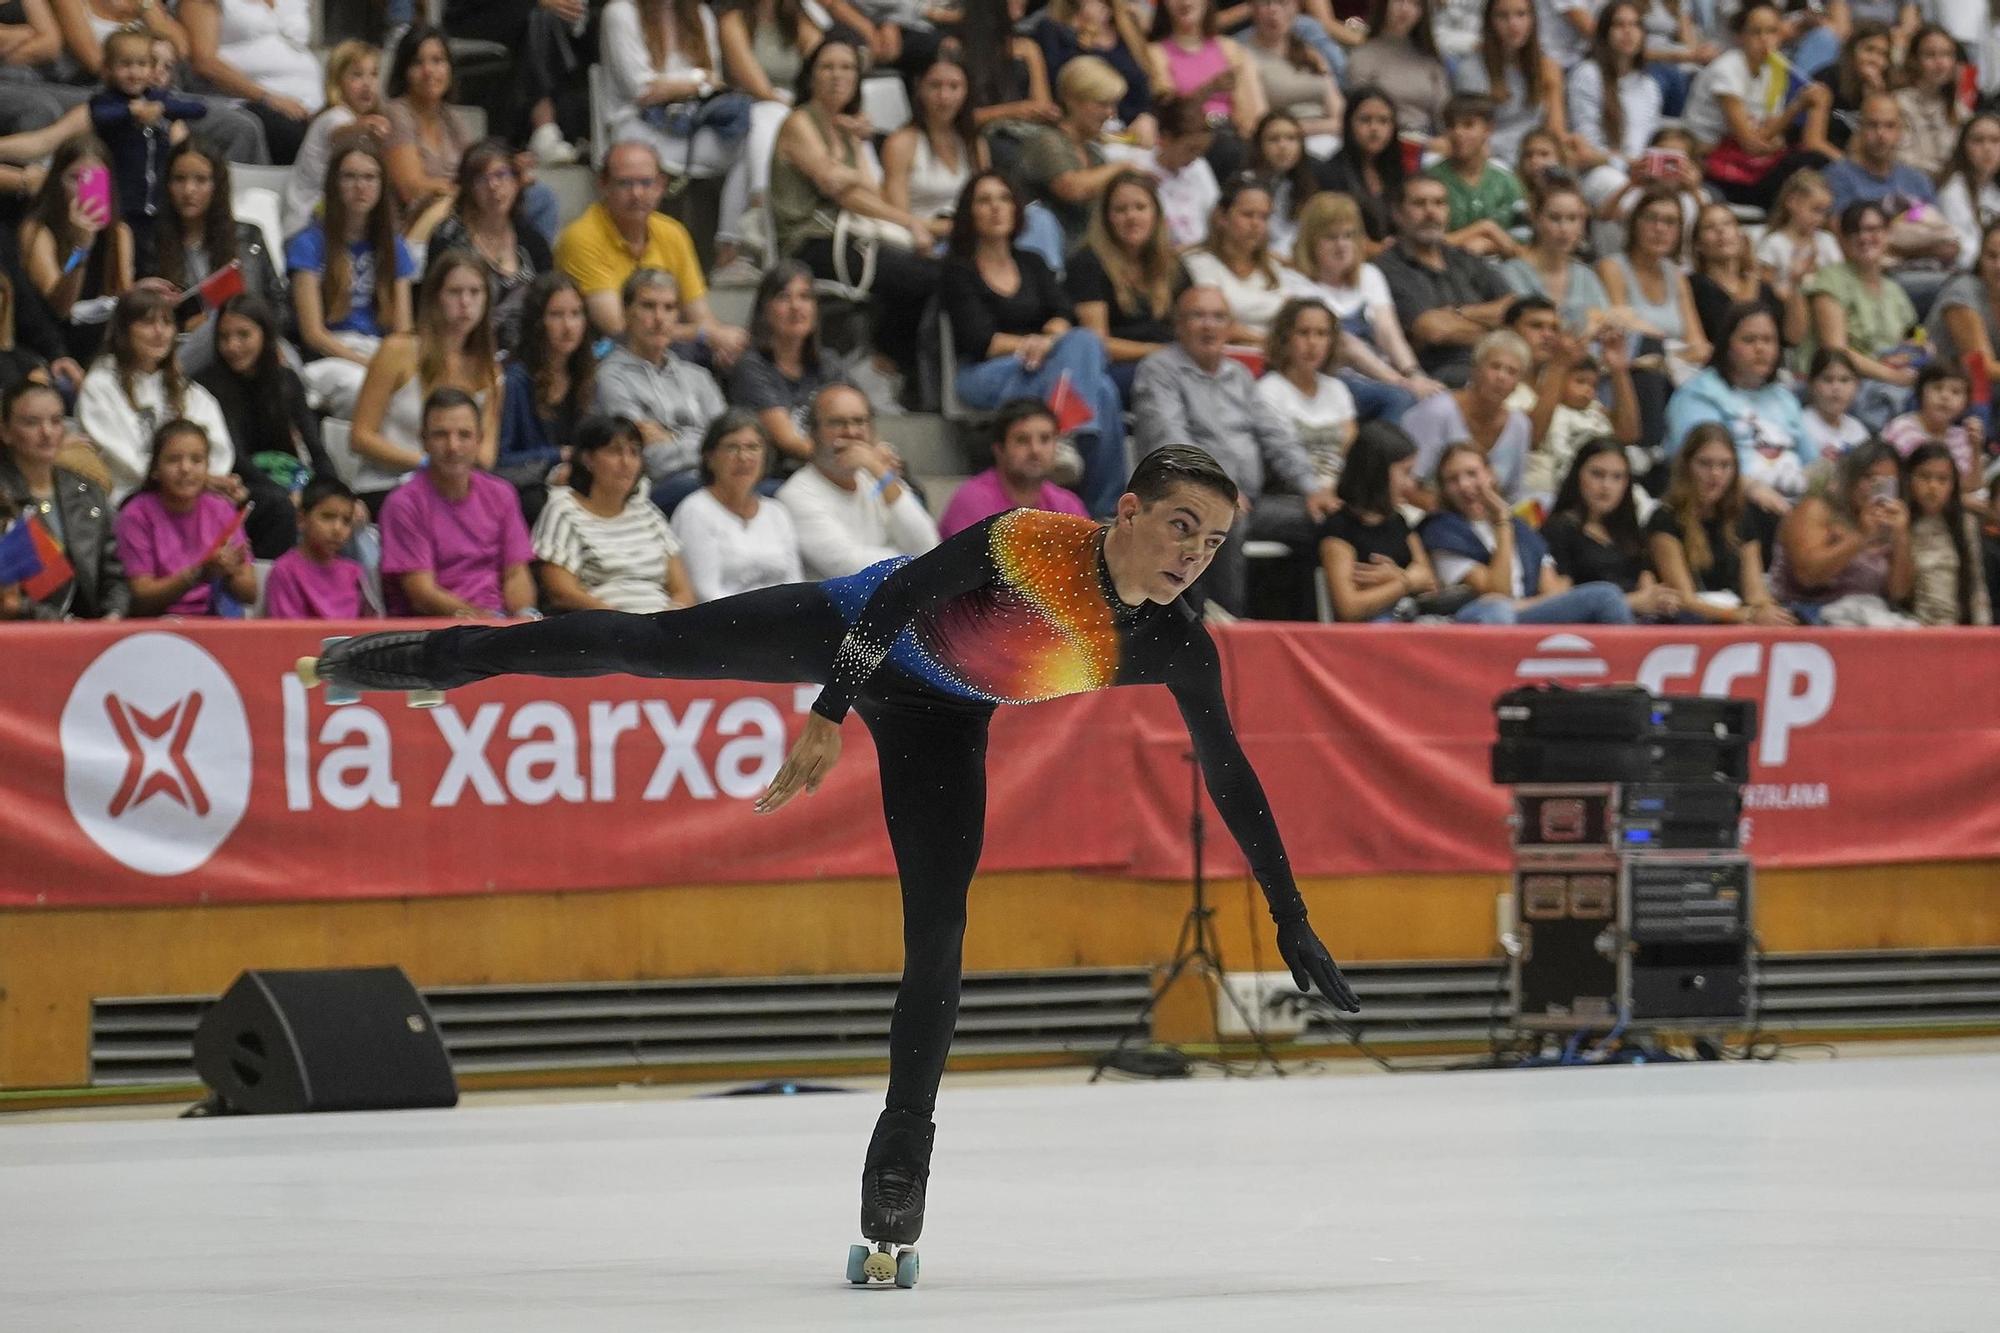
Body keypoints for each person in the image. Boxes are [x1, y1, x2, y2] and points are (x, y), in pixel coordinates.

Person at [298, 444, 1362, 1271]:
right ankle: (428, 658)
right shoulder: (1032, 539)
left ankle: (901, 1157)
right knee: (639, 644)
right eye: (1180, 526)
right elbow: (902, 598)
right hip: (845, 629)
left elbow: (1230, 775)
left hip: (945, 721)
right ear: (1125, 511)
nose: (1192, 554)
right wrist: (827, 710)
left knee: (939, 937)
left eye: (1213, 541)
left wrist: (1289, 914)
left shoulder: (1174, 643)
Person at [1132, 285, 1336, 616]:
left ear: (1230, 327)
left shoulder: (1238, 375)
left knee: (1330, 519)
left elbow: (1276, 436)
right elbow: (1170, 442)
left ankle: (1315, 632)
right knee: (1223, 522)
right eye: (1198, 316)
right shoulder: (1159, 370)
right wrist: (1218, 491)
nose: (1209, 325)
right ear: (1178, 325)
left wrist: (1312, 488)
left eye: (1218, 317)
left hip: (1252, 501)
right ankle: (1226, 626)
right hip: (1185, 503)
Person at [942, 172, 1124, 517]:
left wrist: (1048, 341)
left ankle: (1100, 510)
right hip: (987, 372)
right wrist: (1030, 344)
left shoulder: (1031, 262)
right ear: (970, 212)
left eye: (1004, 199)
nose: (996, 208)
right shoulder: (958, 269)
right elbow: (978, 339)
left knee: (1100, 381)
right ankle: (1075, 450)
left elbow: (1063, 312)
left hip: (1042, 364)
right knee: (1095, 380)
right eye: (985, 200)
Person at [770, 36, 939, 381]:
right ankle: (888, 362)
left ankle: (888, 365)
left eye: (847, 68)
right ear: (810, 76)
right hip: (809, 241)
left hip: (848, 233)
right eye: (827, 67)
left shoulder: (846, 128)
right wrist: (911, 222)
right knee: (920, 276)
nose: (837, 76)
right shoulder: (799, 122)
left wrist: (858, 146)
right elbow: (833, 184)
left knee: (934, 272)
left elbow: (868, 195)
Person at [598, 0, 758, 270]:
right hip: (638, 126)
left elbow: (715, 81)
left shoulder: (701, 13)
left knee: (750, 141)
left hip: (691, 124)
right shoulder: (620, 12)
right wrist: (697, 79)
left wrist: (687, 84)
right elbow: (642, 90)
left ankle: (730, 246)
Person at [554, 142, 746, 358]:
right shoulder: (581, 237)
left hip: (666, 347)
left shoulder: (673, 233)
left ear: (661, 185)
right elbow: (620, 328)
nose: (637, 194)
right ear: (603, 185)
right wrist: (704, 334)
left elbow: (701, 316)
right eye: (625, 183)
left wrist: (721, 341)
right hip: (606, 356)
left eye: (646, 183)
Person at [349, 249, 503, 512]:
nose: (466, 303)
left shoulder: (490, 370)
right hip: (387, 484)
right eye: (455, 292)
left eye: (475, 292)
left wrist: (443, 467)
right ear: (435, 298)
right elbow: (360, 437)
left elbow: (485, 455)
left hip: (454, 489)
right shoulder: (397, 351)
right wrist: (426, 463)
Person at [1418, 441, 1637, 622]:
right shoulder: (1442, 530)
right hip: (1473, 618)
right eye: (1453, 480)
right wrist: (1502, 522)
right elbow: (1496, 591)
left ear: (1490, 475)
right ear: (1444, 489)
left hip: (1525, 613)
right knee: (1498, 612)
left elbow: (1553, 591)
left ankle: (1625, 673)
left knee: (1606, 596)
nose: (1465, 485)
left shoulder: (1521, 528)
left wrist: (1521, 604)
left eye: (1472, 474)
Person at [382, 24, 560, 248]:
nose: (429, 71)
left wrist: (511, 171)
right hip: (420, 221)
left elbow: (476, 166)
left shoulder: (450, 116)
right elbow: (411, 188)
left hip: (461, 206)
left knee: (539, 197)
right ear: (404, 71)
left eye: (437, 61)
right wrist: (467, 188)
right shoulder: (396, 113)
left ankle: (527, 269)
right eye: (418, 63)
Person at [285, 132, 416, 417]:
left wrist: (387, 362)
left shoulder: (395, 247)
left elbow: (403, 330)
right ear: (334, 183)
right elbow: (313, 334)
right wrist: (367, 364)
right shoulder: (308, 244)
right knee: (363, 389)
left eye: (370, 178)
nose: (361, 187)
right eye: (350, 177)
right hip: (331, 356)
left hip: (381, 350)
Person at [377, 386, 536, 618]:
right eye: (441, 435)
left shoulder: (502, 493)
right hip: (433, 631)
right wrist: (486, 621)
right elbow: (421, 593)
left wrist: (522, 617)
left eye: (464, 435)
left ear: (479, 439)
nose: (453, 446)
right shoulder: (403, 503)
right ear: (424, 440)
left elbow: (516, 573)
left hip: (497, 624)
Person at [193, 294, 328, 559]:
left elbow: (316, 448)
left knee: (338, 510)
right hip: (239, 483)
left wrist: (335, 492)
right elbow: (237, 459)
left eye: (243, 335)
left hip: (286, 476)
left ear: (264, 335)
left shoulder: (286, 381)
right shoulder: (208, 386)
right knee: (280, 508)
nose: (232, 346)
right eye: (224, 337)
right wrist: (287, 495)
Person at [75, 285, 235, 501]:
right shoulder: (100, 386)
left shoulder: (184, 388)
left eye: (167, 323)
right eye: (148, 323)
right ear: (125, 330)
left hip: (192, 495)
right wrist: (194, 480)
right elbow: (123, 460)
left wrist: (201, 479)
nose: (160, 332)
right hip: (132, 499)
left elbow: (218, 447)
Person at [1290, 190, 1439, 421]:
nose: (1341, 246)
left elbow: (1389, 333)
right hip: (1331, 379)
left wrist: (1415, 373)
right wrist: (1401, 382)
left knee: (1439, 402)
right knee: (1400, 398)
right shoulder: (1297, 286)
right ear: (1311, 241)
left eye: (1348, 236)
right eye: (1331, 237)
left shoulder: (1370, 275)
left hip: (1381, 375)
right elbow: (1346, 346)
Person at [594, 268, 727, 513]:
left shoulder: (698, 376)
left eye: (669, 308)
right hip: (654, 490)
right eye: (648, 306)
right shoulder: (611, 377)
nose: (659, 318)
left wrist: (671, 437)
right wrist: (710, 446)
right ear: (627, 312)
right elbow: (648, 458)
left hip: (715, 480)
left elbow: (730, 440)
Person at [775, 381, 938, 579]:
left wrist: (879, 471)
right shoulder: (796, 494)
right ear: (812, 433)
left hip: (898, 598)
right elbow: (849, 567)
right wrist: (919, 562)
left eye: (859, 421)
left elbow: (928, 544)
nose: (851, 432)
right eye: (837, 423)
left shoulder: (877, 477)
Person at [534, 413, 694, 614]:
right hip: (601, 627)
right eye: (615, 452)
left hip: (660, 624)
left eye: (634, 452)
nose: (626, 462)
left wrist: (671, 617)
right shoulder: (563, 509)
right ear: (588, 459)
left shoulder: (648, 513)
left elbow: (682, 590)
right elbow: (560, 591)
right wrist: (618, 619)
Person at [1681, 0, 1835, 209]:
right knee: (1808, 164)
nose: (1765, 40)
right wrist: (1796, 106)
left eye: (1772, 31)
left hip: (1747, 162)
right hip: (1712, 164)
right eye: (1756, 32)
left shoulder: (1772, 71)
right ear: (1740, 36)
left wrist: (1769, 139)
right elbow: (1751, 145)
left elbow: (1772, 134)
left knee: (1814, 165)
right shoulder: (1727, 70)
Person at [151, 138, 282, 376]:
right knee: (216, 327)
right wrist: (182, 323)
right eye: (179, 179)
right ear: (167, 185)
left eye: (200, 180)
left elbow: (279, 304)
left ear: (217, 185)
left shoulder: (248, 235)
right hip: (185, 347)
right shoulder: (151, 242)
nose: (189, 190)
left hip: (246, 344)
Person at [0, 378, 127, 619]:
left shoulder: (88, 491)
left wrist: (113, 614)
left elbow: (115, 573)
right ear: (5, 431)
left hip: (93, 631)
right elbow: (7, 601)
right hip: (23, 635)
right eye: (31, 423)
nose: (47, 432)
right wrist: (60, 622)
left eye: (56, 421)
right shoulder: (2, 497)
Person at [1645, 420, 1795, 624]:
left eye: (1725, 465)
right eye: (1705, 464)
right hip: (1691, 619)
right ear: (1687, 466)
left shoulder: (1741, 516)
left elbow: (1755, 593)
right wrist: (1747, 616)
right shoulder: (1664, 519)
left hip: (1737, 612)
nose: (1716, 474)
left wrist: (1769, 613)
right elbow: (1685, 600)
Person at [1665, 302, 1810, 512]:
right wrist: (1753, 489)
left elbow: (1813, 462)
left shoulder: (1784, 397)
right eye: (1749, 340)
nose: (1760, 348)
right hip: (1731, 503)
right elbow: (1698, 463)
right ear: (1727, 346)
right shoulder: (1699, 393)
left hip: (1792, 501)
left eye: (1768, 340)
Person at [1377, 175, 1515, 388]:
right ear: (1397, 213)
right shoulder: (1388, 266)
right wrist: (1497, 331)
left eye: (1439, 203)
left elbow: (1514, 309)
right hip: (1436, 376)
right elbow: (1433, 329)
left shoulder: (1464, 257)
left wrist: (1458, 313)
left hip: (1492, 368)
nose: (1431, 212)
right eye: (1419, 204)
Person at [1066, 169, 1191, 400]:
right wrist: (1156, 352)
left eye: (1140, 208)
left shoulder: (1173, 265)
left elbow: (1192, 319)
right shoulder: (1087, 263)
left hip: (1170, 360)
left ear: (1156, 214)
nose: (1131, 217)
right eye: (1120, 210)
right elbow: (1096, 344)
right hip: (1118, 368)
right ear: (1106, 218)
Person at [113, 417, 254, 616]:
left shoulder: (221, 509)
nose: (186, 469)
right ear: (155, 470)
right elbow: (141, 598)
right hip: (157, 627)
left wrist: (229, 571)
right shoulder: (135, 515)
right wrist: (199, 574)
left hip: (216, 622)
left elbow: (250, 594)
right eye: (173, 460)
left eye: (196, 460)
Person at [424, 141, 556, 353]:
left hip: (527, 355)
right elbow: (431, 308)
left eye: (501, 175)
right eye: (481, 179)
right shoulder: (449, 238)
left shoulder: (532, 240)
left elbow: (550, 299)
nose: (493, 186)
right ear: (468, 188)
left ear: (516, 182)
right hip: (467, 351)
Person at [1799, 200, 1920, 430]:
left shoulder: (1894, 289)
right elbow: (1836, 350)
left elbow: (1915, 334)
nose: (1864, 237)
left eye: (1873, 230)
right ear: (1842, 240)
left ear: (1887, 234)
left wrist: (1915, 350)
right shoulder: (1830, 280)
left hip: (1889, 380)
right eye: (1855, 231)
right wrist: (1892, 376)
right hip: (1845, 386)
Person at [86, 26, 202, 262]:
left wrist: (161, 109)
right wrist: (131, 111)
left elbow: (199, 108)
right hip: (117, 203)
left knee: (154, 260)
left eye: (142, 64)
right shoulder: (104, 102)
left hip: (155, 205)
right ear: (107, 68)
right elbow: (100, 116)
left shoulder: (155, 100)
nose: (134, 73)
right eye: (125, 65)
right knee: (116, 260)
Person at [1767, 438, 1914, 623]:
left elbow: (1898, 593)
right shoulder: (1815, 509)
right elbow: (1808, 575)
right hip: (1808, 617)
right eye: (1869, 478)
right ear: (1851, 478)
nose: (1875, 489)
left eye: (1887, 482)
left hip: (1870, 618)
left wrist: (1901, 537)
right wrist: (1862, 536)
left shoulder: (1888, 523)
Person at [718, 0, 824, 247]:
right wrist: (796, 114)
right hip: (750, 107)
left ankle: (733, 243)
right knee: (769, 114)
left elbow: (822, 61)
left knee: (748, 158)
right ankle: (763, 204)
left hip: (791, 111)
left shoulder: (798, 19)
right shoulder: (733, 20)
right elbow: (756, 86)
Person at [18, 134, 132, 363]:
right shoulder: (38, 230)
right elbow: (60, 307)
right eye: (75, 178)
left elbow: (122, 301)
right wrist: (81, 250)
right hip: (49, 347)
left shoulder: (119, 233)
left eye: (94, 179)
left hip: (99, 345)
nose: (84, 188)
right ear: (57, 182)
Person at [670, 409, 803, 602]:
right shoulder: (695, 511)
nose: (743, 457)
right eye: (732, 448)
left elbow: (796, 584)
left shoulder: (777, 512)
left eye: (753, 447)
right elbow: (705, 593)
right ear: (710, 457)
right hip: (723, 624)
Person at [1539, 438, 1682, 617]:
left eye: (1617, 477)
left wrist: (1661, 600)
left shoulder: (1630, 530)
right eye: (1597, 474)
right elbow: (1558, 601)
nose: (1606, 486)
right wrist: (1635, 602)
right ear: (1577, 476)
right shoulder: (1558, 529)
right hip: (1588, 628)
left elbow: (1646, 583)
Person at [443, 0, 595, 164]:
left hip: (526, 17)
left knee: (584, 23)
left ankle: (580, 131)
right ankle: (544, 127)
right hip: (472, 16)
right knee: (539, 18)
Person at [1316, 420, 1440, 621]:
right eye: (1405, 472)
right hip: (1372, 628)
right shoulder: (1339, 530)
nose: (1410, 484)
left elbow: (1429, 580)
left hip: (1412, 617)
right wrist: (1404, 583)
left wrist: (1395, 577)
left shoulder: (1397, 521)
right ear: (1378, 472)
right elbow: (1349, 607)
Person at [497, 273, 593, 517]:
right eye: (556, 315)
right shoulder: (516, 379)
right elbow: (500, 460)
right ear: (537, 321)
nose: (568, 325)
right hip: (530, 488)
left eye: (576, 314)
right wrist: (558, 456)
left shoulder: (586, 374)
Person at [179, 0, 321, 165]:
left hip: (310, 103)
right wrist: (268, 98)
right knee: (293, 135)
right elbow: (204, 62)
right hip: (250, 102)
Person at [1399, 327, 1532, 500]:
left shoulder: (1520, 425)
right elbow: (1406, 484)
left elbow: (1512, 494)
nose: (1501, 377)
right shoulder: (1438, 411)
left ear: (1518, 383)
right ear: (1475, 370)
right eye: (1495, 366)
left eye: (1512, 372)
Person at [1015, 55, 1128, 257]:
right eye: (1102, 104)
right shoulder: (1047, 141)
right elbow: (1071, 188)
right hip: (1043, 254)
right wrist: (1122, 168)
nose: (1110, 113)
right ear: (1073, 100)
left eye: (1113, 105)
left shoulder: (1094, 154)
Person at [1181, 173, 1318, 340]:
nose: (1256, 224)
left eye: (1264, 217)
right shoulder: (1197, 263)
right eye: (1248, 215)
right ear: (1222, 217)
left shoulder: (1273, 267)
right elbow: (1218, 324)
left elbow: (1291, 318)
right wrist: (1269, 345)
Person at [281, 40, 389, 238]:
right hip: (306, 227)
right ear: (337, 82)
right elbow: (339, 132)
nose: (368, 84)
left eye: (373, 75)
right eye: (357, 75)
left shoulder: (355, 120)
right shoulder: (335, 116)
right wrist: (363, 126)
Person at [937, 398, 1089, 538]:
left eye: (1045, 439)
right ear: (999, 450)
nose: (1035, 450)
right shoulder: (972, 501)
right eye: (1022, 440)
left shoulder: (1068, 505)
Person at [882, 54, 986, 256]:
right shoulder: (902, 143)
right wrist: (952, 227)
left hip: (971, 237)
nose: (944, 96)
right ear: (920, 88)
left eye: (954, 87)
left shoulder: (975, 144)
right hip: (923, 243)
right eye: (935, 86)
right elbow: (898, 215)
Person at [1147, 0, 1266, 176]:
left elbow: (1255, 112)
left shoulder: (1231, 49)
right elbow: (1169, 110)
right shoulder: (1155, 52)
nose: (1184, 2)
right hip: (1188, 138)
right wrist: (1209, 89)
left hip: (1231, 132)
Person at [1598, 184, 1710, 364]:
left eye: (1670, 222)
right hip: (1632, 369)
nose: (1659, 228)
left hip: (1675, 371)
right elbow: (1623, 329)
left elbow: (1699, 344)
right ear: (1635, 223)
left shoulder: (1676, 275)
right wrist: (1677, 354)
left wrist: (1666, 357)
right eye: (1651, 218)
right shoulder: (1612, 268)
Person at [1566, 0, 1660, 208]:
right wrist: (1628, 164)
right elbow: (1588, 148)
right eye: (1619, 25)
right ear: (1604, 33)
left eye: (1635, 25)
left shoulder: (1649, 86)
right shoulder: (1587, 74)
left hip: (1637, 172)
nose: (1628, 32)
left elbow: (1646, 142)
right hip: (1597, 173)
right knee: (1627, 194)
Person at [1257, 297, 1357, 489]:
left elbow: (1349, 448)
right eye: (1303, 333)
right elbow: (1282, 457)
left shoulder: (1337, 389)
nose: (1313, 343)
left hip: (1338, 490)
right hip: (1291, 491)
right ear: (1285, 338)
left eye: (1322, 334)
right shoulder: (1269, 390)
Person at [1029, 0, 1157, 145]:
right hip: (1079, 134)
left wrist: (1146, 116)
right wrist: (1084, 32)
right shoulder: (1052, 28)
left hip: (1130, 134)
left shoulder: (1126, 25)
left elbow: (1144, 82)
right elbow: (1065, 82)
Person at [1454, 0, 1564, 166]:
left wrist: (1553, 87)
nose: (1513, 24)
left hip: (1536, 159)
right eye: (1503, 16)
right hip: (1493, 159)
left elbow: (1555, 134)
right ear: (1490, 21)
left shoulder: (1547, 67)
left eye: (1521, 14)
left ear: (1533, 19)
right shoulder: (1471, 70)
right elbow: (1472, 137)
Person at [1688, 200, 1804, 352]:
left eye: (1728, 224)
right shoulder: (1697, 285)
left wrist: (1795, 283)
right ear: (1698, 245)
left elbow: (1793, 337)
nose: (1721, 231)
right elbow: (1740, 325)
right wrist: (1753, 270)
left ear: (1739, 234)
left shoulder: (1762, 287)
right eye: (1710, 227)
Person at [1500, 181, 1611, 332]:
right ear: (1535, 218)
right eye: (1554, 218)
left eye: (1572, 218)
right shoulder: (1510, 273)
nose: (1564, 229)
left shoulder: (1587, 277)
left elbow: (1605, 325)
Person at [1901, 440, 1991, 625]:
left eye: (1942, 479)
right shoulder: (1900, 523)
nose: (1933, 487)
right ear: (1909, 479)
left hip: (1955, 627)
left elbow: (1976, 585)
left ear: (1953, 485)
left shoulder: (1965, 524)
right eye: (1924, 477)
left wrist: (1983, 632)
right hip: (1909, 626)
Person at [1423, 93, 1523, 257]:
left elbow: (1525, 241)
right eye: (1451, 126)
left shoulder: (1506, 182)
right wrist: (1483, 228)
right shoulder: (1430, 180)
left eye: (1468, 125)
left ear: (1488, 129)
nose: (1458, 133)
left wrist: (1487, 244)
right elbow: (1423, 241)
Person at [1242, 0, 1342, 159]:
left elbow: (1340, 115)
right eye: (1265, 3)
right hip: (1286, 146)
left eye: (1283, 3)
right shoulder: (1246, 57)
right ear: (1252, 8)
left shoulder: (1310, 52)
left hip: (1332, 140)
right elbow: (1261, 122)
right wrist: (1311, 129)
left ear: (1296, 7)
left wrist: (1318, 127)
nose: (1273, 10)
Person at [261, 474, 369, 619]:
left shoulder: (355, 573)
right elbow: (287, 635)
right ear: (301, 519)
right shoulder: (284, 571)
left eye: (346, 521)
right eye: (327, 517)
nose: (338, 529)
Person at [1346, 0, 1450, 140]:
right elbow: (1361, 114)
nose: (1405, 9)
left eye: (1415, 3)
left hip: (1427, 139)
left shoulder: (1430, 59)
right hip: (1382, 142)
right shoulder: (1363, 56)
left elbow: (1443, 115)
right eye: (1399, 1)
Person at [1317, 86, 1402, 249]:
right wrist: (1380, 250)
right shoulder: (1330, 173)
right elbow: (1333, 232)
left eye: (1383, 121)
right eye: (1365, 120)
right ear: (1349, 124)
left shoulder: (1400, 171)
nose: (1375, 129)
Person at [1133, 94, 1218, 250]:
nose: (1195, 157)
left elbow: (1214, 215)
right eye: (1191, 149)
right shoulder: (1137, 165)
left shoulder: (1199, 167)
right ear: (1166, 138)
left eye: (1201, 151)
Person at [1880, 361, 1981, 487]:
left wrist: (1976, 448)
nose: (1945, 396)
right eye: (1937, 388)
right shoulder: (1899, 428)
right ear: (1921, 393)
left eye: (1956, 392)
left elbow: (1970, 487)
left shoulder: (1963, 438)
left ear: (1966, 404)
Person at [1926, 221, 2000, 394]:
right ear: (1980, 258)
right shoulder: (1962, 293)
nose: (1998, 266)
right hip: (1942, 394)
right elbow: (1983, 368)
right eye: (1991, 256)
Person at [1890, 24, 1963, 179]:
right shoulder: (1896, 103)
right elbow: (1898, 159)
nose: (1940, 63)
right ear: (1914, 60)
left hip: (1948, 190)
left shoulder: (1961, 110)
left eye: (1946, 55)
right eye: (1930, 55)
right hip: (1907, 189)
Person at [1752, 168, 1841, 291]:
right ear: (1792, 202)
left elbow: (1839, 281)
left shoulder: (1827, 241)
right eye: (1815, 210)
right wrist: (1795, 282)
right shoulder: (1774, 243)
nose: (1820, 219)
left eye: (1825, 212)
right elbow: (1767, 293)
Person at [1247, 111, 1320, 260]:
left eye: (1291, 138)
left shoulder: (1308, 182)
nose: (1283, 146)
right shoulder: (1246, 185)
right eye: (1273, 139)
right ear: (1259, 145)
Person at [1934, 115, 2000, 273]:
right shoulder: (1953, 191)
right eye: (1978, 140)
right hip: (1970, 275)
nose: (1987, 148)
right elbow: (1963, 251)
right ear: (1963, 146)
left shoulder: (1994, 188)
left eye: (1995, 140)